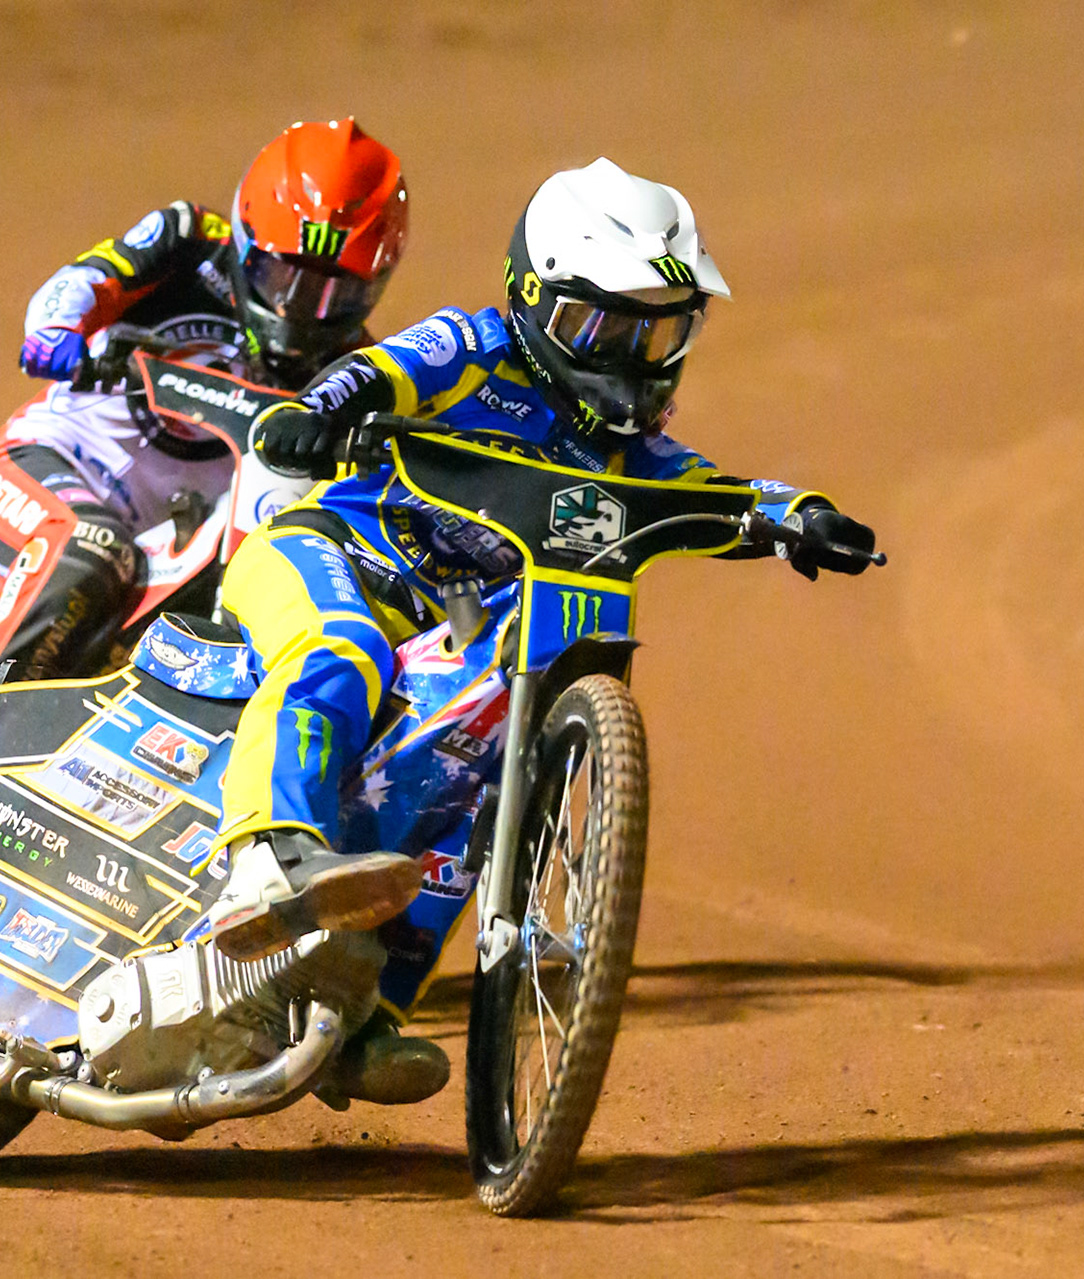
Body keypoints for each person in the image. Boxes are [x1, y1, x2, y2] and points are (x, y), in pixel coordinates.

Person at [202, 158, 879, 1102]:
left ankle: (361, 1012)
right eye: (603, 325)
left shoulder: (626, 452)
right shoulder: (472, 345)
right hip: (325, 556)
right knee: (337, 652)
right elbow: (376, 371)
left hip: (438, 631)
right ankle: (265, 857)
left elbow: (715, 490)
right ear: (535, 300)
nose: (628, 355)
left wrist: (798, 513)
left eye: (658, 333)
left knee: (479, 794)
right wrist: (318, 415)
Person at [0, 119, 409, 686]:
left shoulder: (354, 371)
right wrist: (57, 332)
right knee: (89, 549)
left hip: (177, 548)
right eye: (285, 275)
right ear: (244, 237)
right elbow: (84, 281)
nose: (300, 308)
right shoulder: (188, 241)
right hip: (45, 466)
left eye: (337, 291)